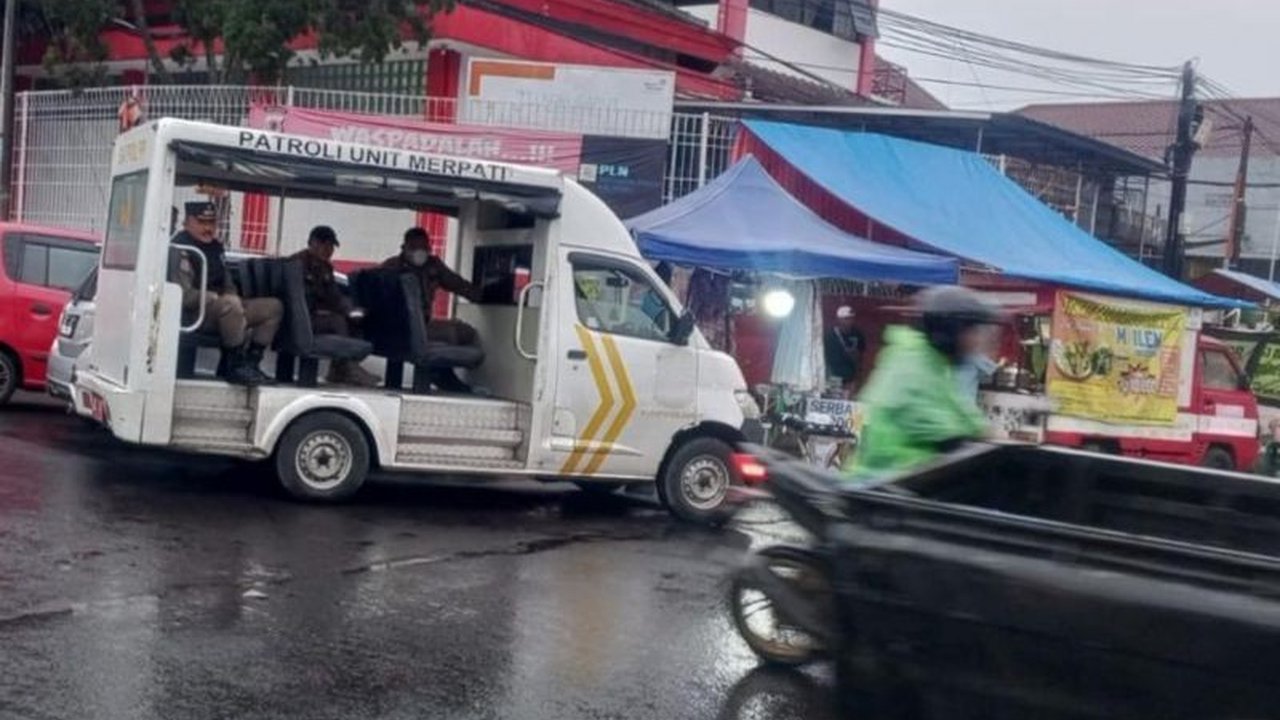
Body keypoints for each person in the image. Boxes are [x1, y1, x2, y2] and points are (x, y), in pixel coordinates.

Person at [845, 286, 999, 481]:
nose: (977, 340)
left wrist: (983, 433)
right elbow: (946, 435)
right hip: (883, 485)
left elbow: (964, 415)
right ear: (951, 330)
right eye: (972, 331)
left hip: (912, 481)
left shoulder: (936, 364)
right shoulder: (913, 364)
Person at [171, 201, 282, 386]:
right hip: (196, 313)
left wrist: (235, 299)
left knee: (273, 307)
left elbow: (228, 282)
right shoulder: (180, 248)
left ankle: (251, 363)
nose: (208, 228)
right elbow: (183, 295)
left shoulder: (215, 247)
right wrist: (213, 298)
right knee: (230, 305)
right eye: (202, 222)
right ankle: (235, 366)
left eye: (212, 222)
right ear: (188, 221)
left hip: (224, 308)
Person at [382, 227, 483, 393]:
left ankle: (444, 376)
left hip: (423, 323)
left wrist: (484, 296)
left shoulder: (433, 266)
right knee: (449, 334)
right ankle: (444, 377)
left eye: (424, 248)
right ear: (404, 248)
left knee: (465, 332)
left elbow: (457, 284)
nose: (420, 252)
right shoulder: (391, 267)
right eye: (414, 248)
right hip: (399, 327)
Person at [291, 225, 379, 387]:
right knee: (337, 321)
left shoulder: (325, 268)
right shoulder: (297, 263)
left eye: (331, 246)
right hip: (298, 319)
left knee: (355, 321)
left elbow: (334, 297)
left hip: (314, 317)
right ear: (313, 243)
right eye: (325, 245)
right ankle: (347, 368)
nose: (329, 250)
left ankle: (340, 369)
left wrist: (351, 310)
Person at [824, 306, 866, 392]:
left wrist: (858, 375)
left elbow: (861, 355)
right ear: (839, 319)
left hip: (851, 376)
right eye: (846, 319)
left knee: (849, 400)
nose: (849, 321)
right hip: (834, 375)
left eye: (851, 318)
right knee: (835, 398)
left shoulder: (857, 334)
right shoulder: (830, 335)